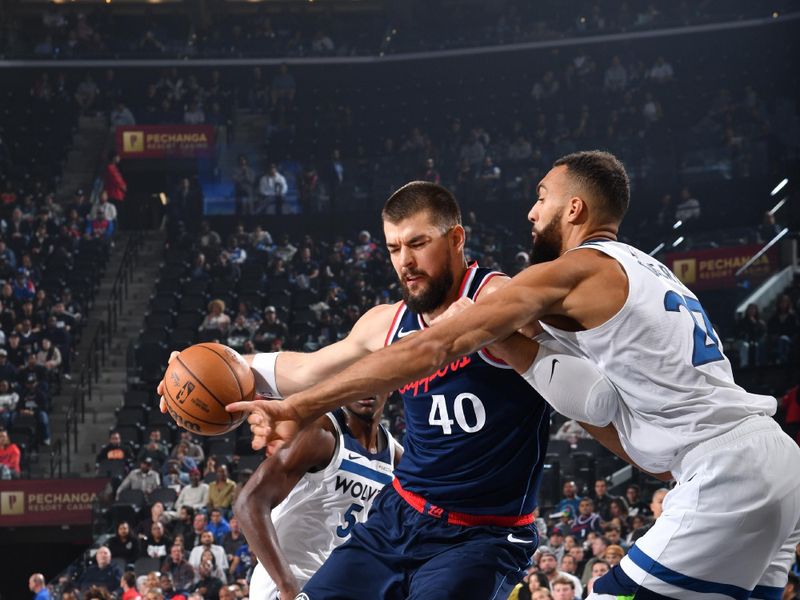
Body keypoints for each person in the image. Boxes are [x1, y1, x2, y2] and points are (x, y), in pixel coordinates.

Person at [241, 151, 800, 598]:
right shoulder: (649, 271)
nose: (531, 212)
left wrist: (299, 407)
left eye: (541, 198)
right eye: (394, 248)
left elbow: (439, 344)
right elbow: (596, 403)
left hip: (716, 471)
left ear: (574, 209)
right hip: (772, 461)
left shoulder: (569, 272)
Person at [161, 181, 634, 597]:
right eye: (393, 248)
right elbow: (305, 370)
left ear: (455, 239)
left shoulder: (497, 297)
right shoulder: (386, 323)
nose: (405, 262)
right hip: (398, 517)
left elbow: (574, 357)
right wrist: (199, 371)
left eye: (418, 243)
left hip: (481, 535)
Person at [239, 393, 400, 600]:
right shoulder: (320, 433)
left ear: (392, 386)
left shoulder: (395, 456)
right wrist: (287, 587)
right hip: (289, 580)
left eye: (376, 381)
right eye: (360, 380)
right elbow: (248, 503)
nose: (367, 390)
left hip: (337, 583)